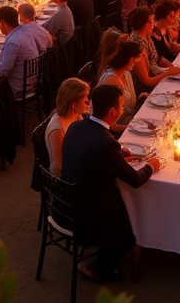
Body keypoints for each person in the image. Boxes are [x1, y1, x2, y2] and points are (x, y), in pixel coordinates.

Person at [58, 83, 160, 283]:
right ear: (113, 112)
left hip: (62, 202)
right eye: (122, 107)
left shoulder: (77, 125)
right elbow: (135, 180)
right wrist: (151, 165)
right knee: (128, 238)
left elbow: (92, 153)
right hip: (82, 213)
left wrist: (117, 153)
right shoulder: (105, 143)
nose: (123, 111)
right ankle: (96, 269)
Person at [96, 40, 146, 133]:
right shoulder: (111, 80)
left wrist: (140, 98)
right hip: (110, 131)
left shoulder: (126, 74)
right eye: (138, 57)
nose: (138, 61)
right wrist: (132, 127)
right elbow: (111, 124)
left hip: (127, 119)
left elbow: (129, 104)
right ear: (130, 59)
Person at [0, 6, 47, 96]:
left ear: (2, 23)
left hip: (18, 88)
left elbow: (2, 71)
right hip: (33, 82)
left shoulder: (12, 42)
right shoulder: (26, 32)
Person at [127, 6, 180, 91]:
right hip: (143, 89)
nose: (153, 24)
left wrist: (171, 67)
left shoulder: (146, 36)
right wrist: (167, 73)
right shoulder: (137, 46)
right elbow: (147, 81)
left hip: (156, 75)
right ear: (145, 24)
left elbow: (157, 59)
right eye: (151, 22)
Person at [45, 77, 91, 175]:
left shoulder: (75, 115)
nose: (88, 103)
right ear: (73, 103)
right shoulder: (57, 129)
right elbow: (57, 167)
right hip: (67, 178)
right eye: (85, 100)